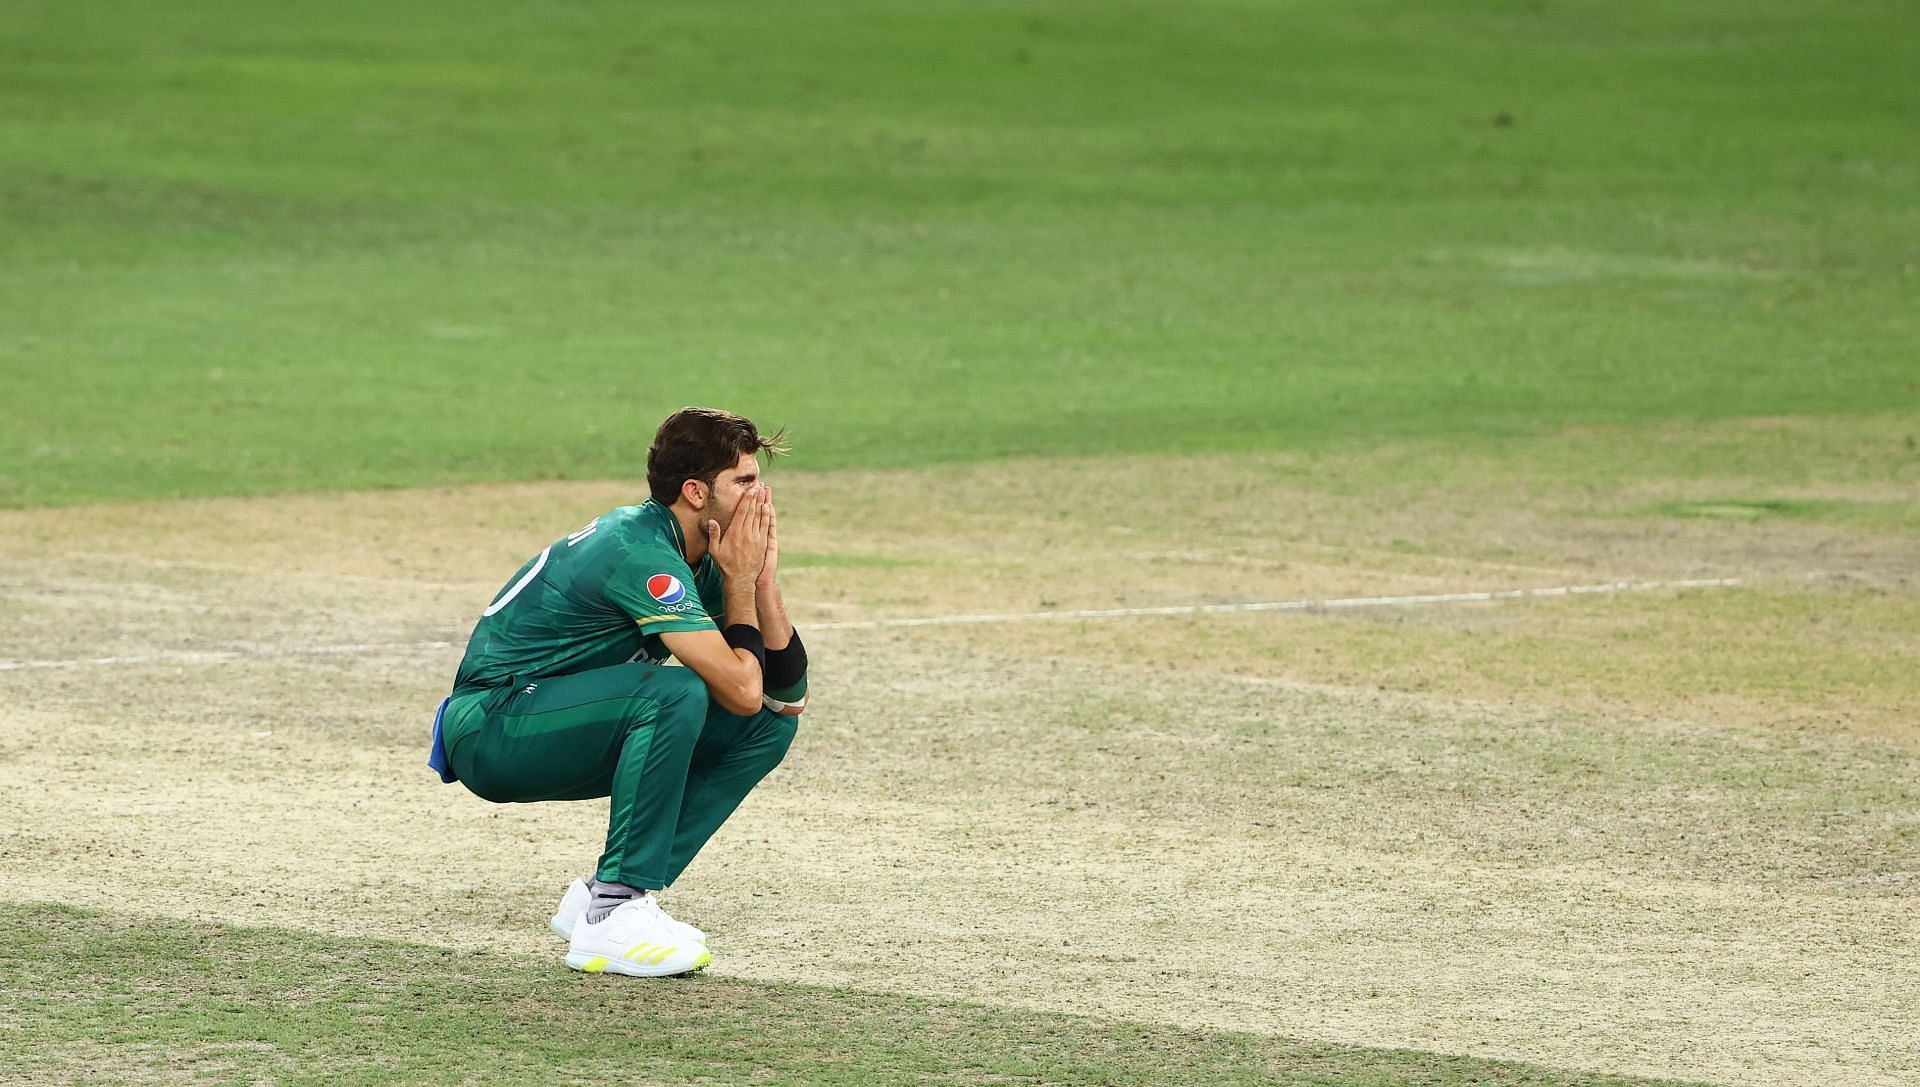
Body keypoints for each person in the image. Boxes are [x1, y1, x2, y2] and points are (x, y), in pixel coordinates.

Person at [426, 407, 809, 977]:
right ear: (695, 494)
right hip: (493, 728)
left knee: (766, 731)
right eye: (745, 482)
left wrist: (760, 578)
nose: (762, 496)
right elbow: (742, 688)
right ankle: (614, 912)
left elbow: (784, 697)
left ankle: (597, 898)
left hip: (555, 722)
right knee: (677, 692)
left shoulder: (702, 554)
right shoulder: (641, 552)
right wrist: (738, 581)